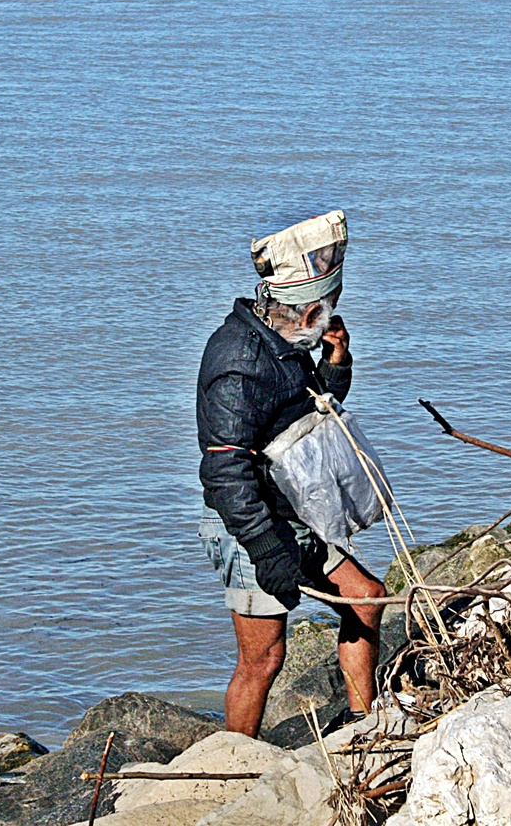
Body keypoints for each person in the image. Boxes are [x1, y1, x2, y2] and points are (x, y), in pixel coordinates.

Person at [196, 210, 387, 737]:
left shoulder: (288, 346)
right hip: (247, 522)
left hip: (293, 509)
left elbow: (309, 421)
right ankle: (233, 762)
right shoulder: (238, 361)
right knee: (264, 659)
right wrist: (267, 550)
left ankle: (361, 722)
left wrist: (336, 364)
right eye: (327, 314)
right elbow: (225, 474)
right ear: (304, 314)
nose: (331, 321)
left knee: (366, 599)